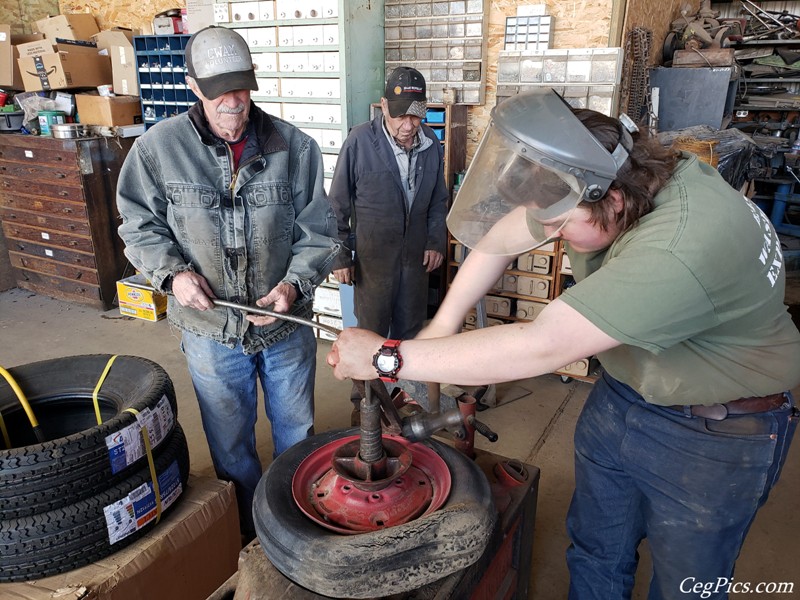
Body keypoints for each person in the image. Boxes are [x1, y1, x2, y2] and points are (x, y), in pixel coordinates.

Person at [327, 88, 800, 599]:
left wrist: (387, 357)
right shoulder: (620, 176)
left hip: (716, 432)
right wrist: (444, 323)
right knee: (597, 548)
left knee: (689, 585)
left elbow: (544, 345)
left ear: (613, 201)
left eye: (558, 227)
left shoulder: (680, 246)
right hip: (625, 392)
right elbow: (509, 230)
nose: (549, 234)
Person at [116, 26, 340, 541]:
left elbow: (318, 232)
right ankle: (244, 534)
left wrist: (293, 286)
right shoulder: (158, 150)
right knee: (230, 444)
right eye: (221, 92)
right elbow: (138, 224)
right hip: (210, 330)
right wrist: (172, 275)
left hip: (284, 326)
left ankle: (293, 528)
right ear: (194, 86)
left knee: (296, 435)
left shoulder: (296, 148)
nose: (235, 103)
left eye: (243, 88)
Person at [326, 66, 449, 414]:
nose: (408, 125)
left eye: (415, 114)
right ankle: (365, 408)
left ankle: (407, 400)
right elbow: (336, 203)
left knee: (410, 334)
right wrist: (340, 256)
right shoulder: (360, 142)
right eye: (399, 116)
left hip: (414, 260)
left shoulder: (430, 144)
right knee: (370, 335)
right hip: (373, 260)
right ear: (383, 106)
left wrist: (435, 242)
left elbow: (439, 200)